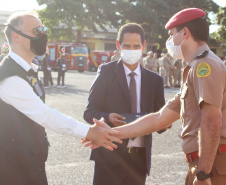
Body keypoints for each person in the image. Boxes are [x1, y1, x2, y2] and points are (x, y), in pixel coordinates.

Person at [85, 8, 226, 185]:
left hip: (212, 167)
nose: (169, 40)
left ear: (184, 33)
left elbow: (212, 121)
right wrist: (110, 134)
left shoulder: (204, 65)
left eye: (171, 34)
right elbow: (159, 118)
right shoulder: (196, 67)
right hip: (203, 164)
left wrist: (204, 173)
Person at [0, 11, 122, 185]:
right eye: (37, 31)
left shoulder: (28, 69)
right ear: (16, 36)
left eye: (44, 30)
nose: (43, 35)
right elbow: (44, 114)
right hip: (13, 168)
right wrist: (89, 132)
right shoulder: (10, 76)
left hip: (30, 161)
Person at [83, 23, 165, 185]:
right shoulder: (106, 72)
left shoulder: (155, 80)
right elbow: (89, 112)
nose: (132, 50)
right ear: (118, 45)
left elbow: (160, 118)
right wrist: (108, 117)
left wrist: (165, 122)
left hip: (139, 160)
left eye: (136, 46)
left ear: (143, 46)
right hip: (109, 157)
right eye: (127, 46)